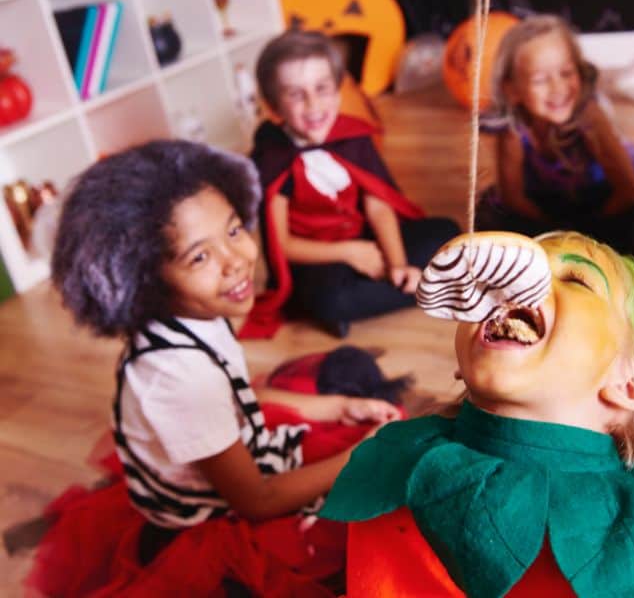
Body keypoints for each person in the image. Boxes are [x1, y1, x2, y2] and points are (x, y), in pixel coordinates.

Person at [26, 140, 400, 597]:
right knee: (375, 528)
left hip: (233, 454)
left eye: (235, 230)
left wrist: (336, 405)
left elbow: (237, 394)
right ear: (146, 279)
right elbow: (257, 501)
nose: (235, 261)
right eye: (199, 257)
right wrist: (361, 456)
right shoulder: (177, 378)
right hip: (219, 517)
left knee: (352, 380)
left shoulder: (195, 317)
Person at [321, 231, 634, 597]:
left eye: (575, 279)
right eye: (502, 273)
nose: (518, 281)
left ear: (631, 384)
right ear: (461, 367)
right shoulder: (397, 464)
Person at [241, 30, 460, 339]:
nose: (313, 104)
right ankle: (426, 286)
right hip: (321, 258)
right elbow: (284, 245)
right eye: (295, 94)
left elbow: (379, 205)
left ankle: (401, 282)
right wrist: (351, 253)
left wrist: (395, 262)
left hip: (365, 235)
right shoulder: (274, 161)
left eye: (322, 89)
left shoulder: (353, 137)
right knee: (331, 300)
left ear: (338, 92)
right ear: (274, 107)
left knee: (447, 232)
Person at [476, 15, 634, 253]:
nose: (558, 88)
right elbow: (514, 199)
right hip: (546, 204)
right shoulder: (513, 131)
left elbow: (629, 192)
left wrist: (583, 233)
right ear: (512, 90)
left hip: (601, 199)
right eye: (540, 79)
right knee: (491, 216)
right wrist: (555, 233)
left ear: (580, 74)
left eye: (567, 73)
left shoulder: (590, 118)